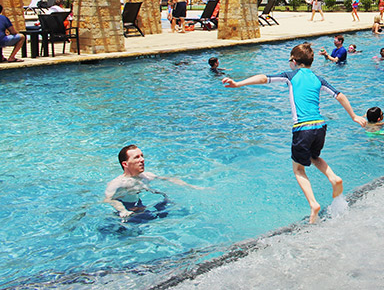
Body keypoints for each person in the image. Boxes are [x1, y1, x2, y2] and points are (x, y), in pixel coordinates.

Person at [222, 43, 367, 223]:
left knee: (298, 168)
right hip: (320, 127)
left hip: (303, 128)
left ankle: (313, 204)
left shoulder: (290, 76)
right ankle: (333, 177)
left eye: (290, 60)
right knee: (314, 157)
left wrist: (238, 83)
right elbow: (340, 95)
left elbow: (262, 78)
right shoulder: (318, 78)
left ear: (295, 61)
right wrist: (353, 116)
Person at [104, 145, 201, 222]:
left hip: (141, 205)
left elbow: (169, 179)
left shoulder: (146, 176)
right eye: (136, 157)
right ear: (125, 164)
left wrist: (192, 187)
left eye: (142, 156)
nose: (142, 159)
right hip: (129, 211)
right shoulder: (117, 183)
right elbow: (108, 199)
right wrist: (123, 210)